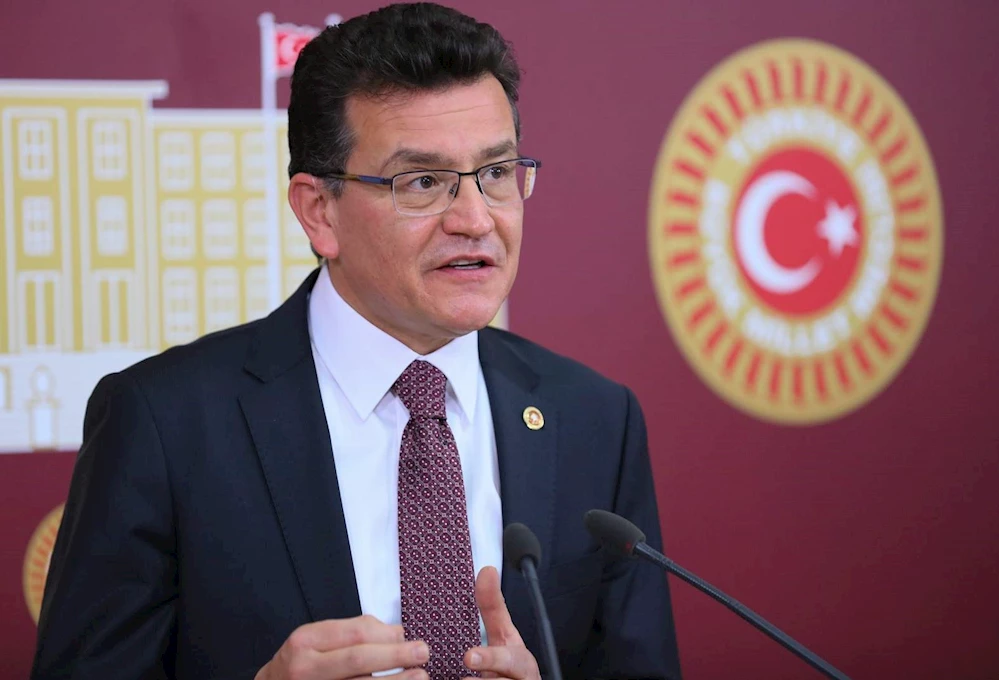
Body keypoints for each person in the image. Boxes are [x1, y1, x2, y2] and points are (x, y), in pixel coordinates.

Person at [30, 3, 682, 679]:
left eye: (495, 173)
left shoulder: (594, 420)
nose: (475, 218)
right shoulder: (164, 422)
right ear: (320, 213)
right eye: (423, 182)